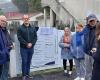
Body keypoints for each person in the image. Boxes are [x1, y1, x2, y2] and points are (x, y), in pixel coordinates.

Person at [17, 14, 37, 80]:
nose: (26, 19)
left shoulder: (33, 28)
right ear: (23, 19)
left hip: (31, 48)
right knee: (24, 61)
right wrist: (26, 44)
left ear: (29, 19)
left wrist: (31, 43)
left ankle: (28, 74)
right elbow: (19, 38)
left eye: (27, 18)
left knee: (29, 61)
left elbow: (35, 37)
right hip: (23, 48)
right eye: (24, 18)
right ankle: (24, 75)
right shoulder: (20, 28)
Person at [83, 14, 97, 80]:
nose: (92, 22)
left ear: (96, 20)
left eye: (93, 20)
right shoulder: (86, 28)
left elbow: (96, 40)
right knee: (87, 70)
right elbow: (83, 38)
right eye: (90, 21)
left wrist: (95, 47)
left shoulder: (98, 28)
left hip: (95, 53)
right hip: (87, 52)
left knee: (95, 70)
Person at [0, 15, 13, 80]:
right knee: (2, 75)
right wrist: (7, 49)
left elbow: (9, 40)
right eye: (2, 21)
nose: (4, 22)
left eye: (5, 21)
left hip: (6, 55)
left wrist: (11, 45)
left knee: (5, 73)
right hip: (2, 56)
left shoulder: (5, 30)